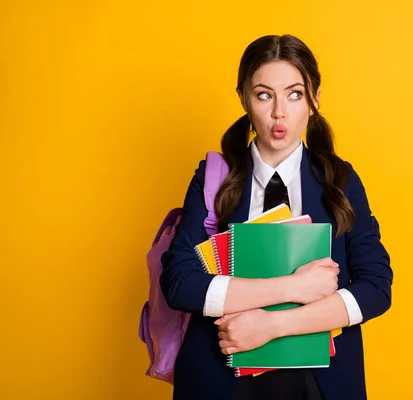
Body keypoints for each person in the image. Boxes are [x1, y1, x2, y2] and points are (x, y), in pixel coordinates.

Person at [160, 34, 393, 400]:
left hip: (320, 382)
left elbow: (377, 287)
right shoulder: (213, 178)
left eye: (294, 94)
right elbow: (177, 282)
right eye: (264, 94)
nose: (279, 112)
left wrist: (273, 325)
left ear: (314, 99)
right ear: (244, 99)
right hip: (221, 376)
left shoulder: (340, 180)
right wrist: (290, 288)